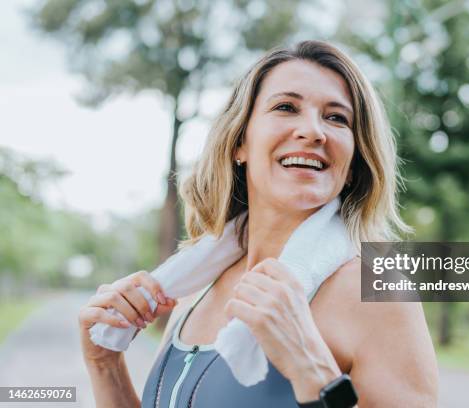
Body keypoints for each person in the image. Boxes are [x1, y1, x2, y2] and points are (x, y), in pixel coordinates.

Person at [78, 40, 438, 407]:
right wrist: (104, 363)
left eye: (336, 117)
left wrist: (312, 369)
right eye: (286, 107)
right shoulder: (195, 285)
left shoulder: (378, 290)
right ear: (240, 143)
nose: (313, 131)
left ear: (352, 164)